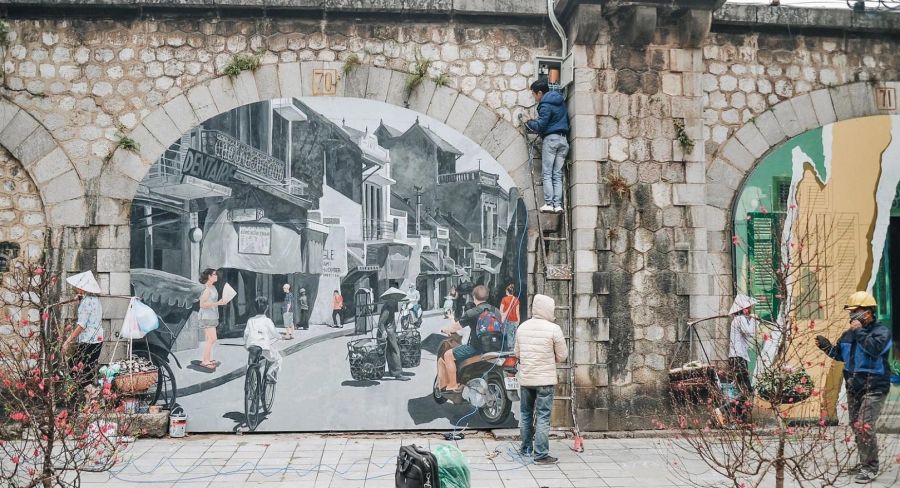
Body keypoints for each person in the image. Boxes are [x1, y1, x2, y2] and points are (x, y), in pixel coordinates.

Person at [816, 291, 893, 483]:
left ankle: (871, 468)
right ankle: (864, 461)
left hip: (874, 386)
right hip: (853, 387)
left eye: (856, 311)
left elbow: (874, 349)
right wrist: (826, 347)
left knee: (865, 425)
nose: (852, 315)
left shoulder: (881, 332)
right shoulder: (848, 334)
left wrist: (859, 331)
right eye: (851, 312)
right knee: (856, 425)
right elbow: (841, 355)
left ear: (868, 312)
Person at [515, 294, 568, 464]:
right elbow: (562, 356)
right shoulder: (554, 329)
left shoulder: (522, 327)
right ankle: (541, 455)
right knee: (543, 416)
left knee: (525, 414)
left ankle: (525, 449)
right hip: (545, 380)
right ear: (548, 309)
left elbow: (517, 354)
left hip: (527, 379)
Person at [438, 285, 501, 392]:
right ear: (487, 296)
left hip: (476, 349)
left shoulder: (472, 312)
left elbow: (455, 327)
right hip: (496, 347)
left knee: (448, 355)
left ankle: (453, 385)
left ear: (474, 297)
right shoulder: (496, 311)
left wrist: (445, 329)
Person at [525, 80, 569, 213]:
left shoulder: (545, 105)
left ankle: (549, 204)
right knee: (557, 174)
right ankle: (558, 205)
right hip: (563, 140)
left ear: (540, 93)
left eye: (534, 94)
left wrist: (529, 121)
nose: (534, 98)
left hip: (551, 140)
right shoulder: (560, 101)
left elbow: (540, 126)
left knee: (547, 173)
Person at [62, 271, 104, 391]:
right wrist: (80, 299)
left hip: (88, 341)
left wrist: (68, 341)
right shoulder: (95, 299)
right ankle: (90, 402)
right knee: (87, 372)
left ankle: (93, 393)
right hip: (97, 340)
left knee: (74, 367)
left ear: (82, 288)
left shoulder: (86, 302)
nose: (75, 288)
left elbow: (81, 326)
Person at [728, 294, 759, 423]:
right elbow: (749, 332)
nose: (749, 310)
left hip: (740, 357)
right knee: (746, 388)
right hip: (737, 358)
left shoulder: (741, 320)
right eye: (747, 308)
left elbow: (749, 336)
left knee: (743, 388)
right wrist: (755, 320)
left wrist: (753, 320)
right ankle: (736, 415)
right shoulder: (739, 320)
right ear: (743, 309)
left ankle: (740, 416)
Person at [243, 296, 282, 382]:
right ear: (267, 307)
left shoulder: (250, 320)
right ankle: (269, 372)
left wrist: (245, 343)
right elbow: (274, 333)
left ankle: (250, 375)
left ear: (254, 308)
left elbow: (246, 334)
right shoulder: (267, 320)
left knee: (252, 360)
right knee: (278, 359)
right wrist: (281, 336)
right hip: (263, 347)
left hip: (251, 346)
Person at [377, 291, 410, 381]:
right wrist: (384, 332)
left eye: (395, 299)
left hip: (390, 332)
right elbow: (381, 323)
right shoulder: (387, 308)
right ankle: (398, 373)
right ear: (389, 299)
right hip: (388, 333)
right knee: (395, 352)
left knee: (389, 353)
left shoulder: (389, 307)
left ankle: (393, 372)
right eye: (393, 299)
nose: (395, 301)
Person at [197, 268, 225, 371]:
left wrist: (220, 302)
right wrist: (217, 303)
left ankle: (208, 359)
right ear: (209, 276)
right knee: (212, 339)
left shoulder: (213, 287)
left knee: (210, 339)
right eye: (214, 274)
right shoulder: (207, 289)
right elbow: (202, 304)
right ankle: (205, 361)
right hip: (206, 316)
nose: (216, 276)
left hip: (212, 315)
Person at [500, 283, 521, 351]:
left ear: (507, 291)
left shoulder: (504, 299)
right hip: (515, 320)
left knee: (507, 335)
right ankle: (514, 349)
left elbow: (501, 311)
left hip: (507, 319)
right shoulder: (516, 300)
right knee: (514, 335)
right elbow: (517, 312)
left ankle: (509, 350)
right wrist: (518, 321)